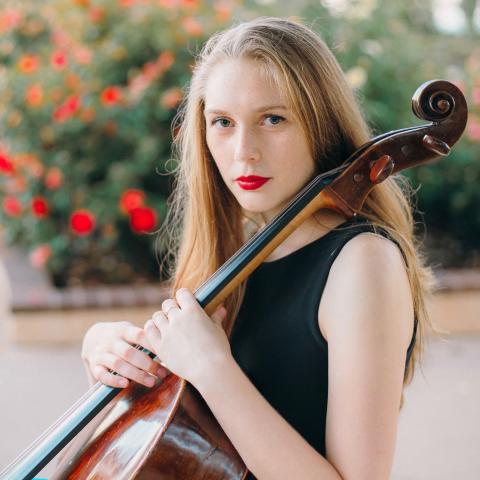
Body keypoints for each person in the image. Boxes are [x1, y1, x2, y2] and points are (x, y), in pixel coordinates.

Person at [81, 16, 434, 479]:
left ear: (321, 126)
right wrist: (109, 352)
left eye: (273, 119)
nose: (243, 150)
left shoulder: (362, 263)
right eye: (222, 122)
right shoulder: (245, 251)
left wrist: (212, 367)